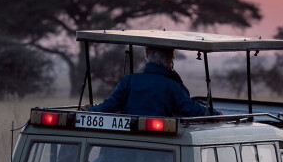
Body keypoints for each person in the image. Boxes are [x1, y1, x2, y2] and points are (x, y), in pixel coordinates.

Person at [86, 46, 220, 117]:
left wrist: (90, 111)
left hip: (127, 146)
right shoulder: (172, 86)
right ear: (170, 59)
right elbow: (191, 109)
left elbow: (109, 106)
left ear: (147, 55)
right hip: (161, 147)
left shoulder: (127, 81)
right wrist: (215, 114)